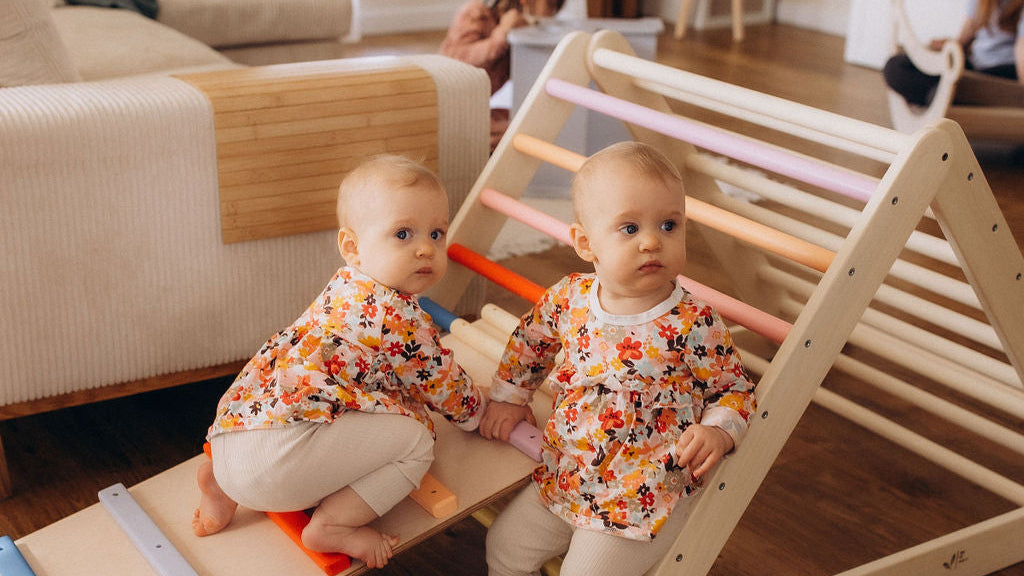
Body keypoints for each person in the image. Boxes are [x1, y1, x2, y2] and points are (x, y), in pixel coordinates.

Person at [191, 155, 486, 569]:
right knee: (418, 443)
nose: (426, 248)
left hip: (230, 438)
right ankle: (334, 525)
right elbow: (441, 383)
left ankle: (221, 486)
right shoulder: (398, 317)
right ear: (352, 247)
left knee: (333, 407)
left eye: (437, 233)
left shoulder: (343, 287)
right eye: (403, 234)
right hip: (275, 468)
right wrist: (479, 411)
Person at [478, 141, 758, 576]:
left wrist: (719, 431)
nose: (652, 241)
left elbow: (733, 389)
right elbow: (530, 342)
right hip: (569, 473)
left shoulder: (692, 321)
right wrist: (509, 397)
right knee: (503, 549)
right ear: (585, 243)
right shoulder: (570, 297)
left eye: (669, 225)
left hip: (643, 494)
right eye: (630, 228)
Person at [440, 0, 566, 150]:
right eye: (549, 4)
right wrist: (501, 34)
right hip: (446, 104)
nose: (551, 12)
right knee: (517, 135)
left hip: (473, 106)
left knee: (531, 125)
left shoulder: (522, 23)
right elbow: (456, 63)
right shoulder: (475, 13)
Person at [884, 0, 1024, 107]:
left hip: (1004, 72)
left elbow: (1021, 49)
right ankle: (944, 96)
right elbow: (970, 27)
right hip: (975, 64)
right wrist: (950, 46)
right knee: (896, 66)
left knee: (950, 87)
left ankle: (942, 96)